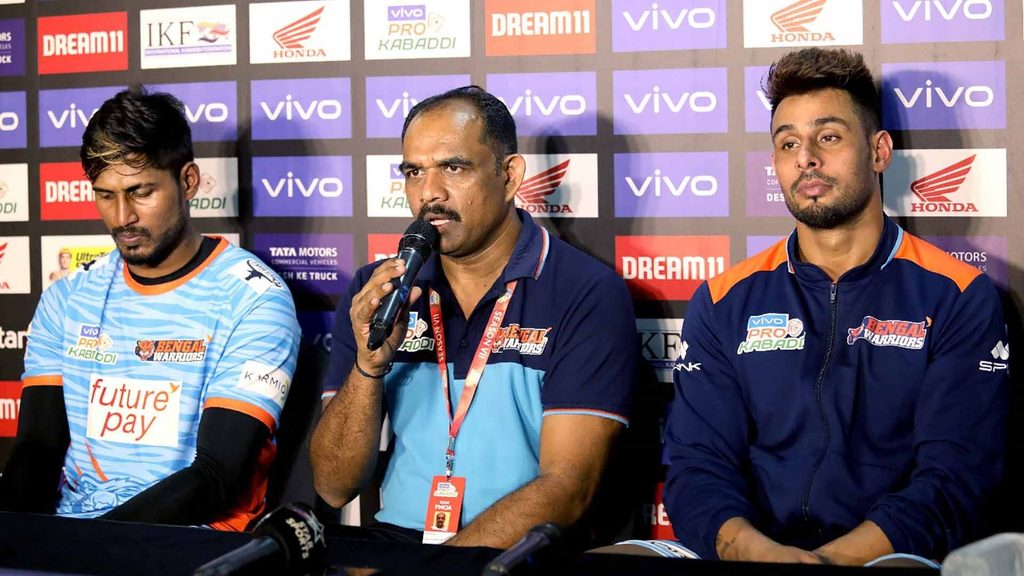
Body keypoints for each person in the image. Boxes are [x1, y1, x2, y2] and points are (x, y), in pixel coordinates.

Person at [663, 48, 1008, 565]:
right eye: (788, 143)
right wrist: (755, 552)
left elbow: (955, 477)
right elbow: (696, 467)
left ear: (879, 151)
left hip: (891, 559)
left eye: (828, 137)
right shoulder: (722, 299)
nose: (806, 158)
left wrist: (829, 562)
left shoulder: (957, 294)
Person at [310, 86, 638, 548]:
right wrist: (369, 366)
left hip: (520, 556)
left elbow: (567, 486)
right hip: (395, 547)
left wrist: (441, 568)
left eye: (453, 167)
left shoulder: (584, 291)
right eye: (413, 171)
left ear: (509, 176)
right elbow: (332, 484)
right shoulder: (377, 290)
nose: (430, 193)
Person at [0, 87, 300, 531]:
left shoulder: (254, 299)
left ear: (189, 181)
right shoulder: (69, 298)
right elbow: (38, 452)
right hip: (74, 536)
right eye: (105, 195)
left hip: (192, 545)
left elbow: (217, 476)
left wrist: (91, 548)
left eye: (140, 192)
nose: (122, 217)